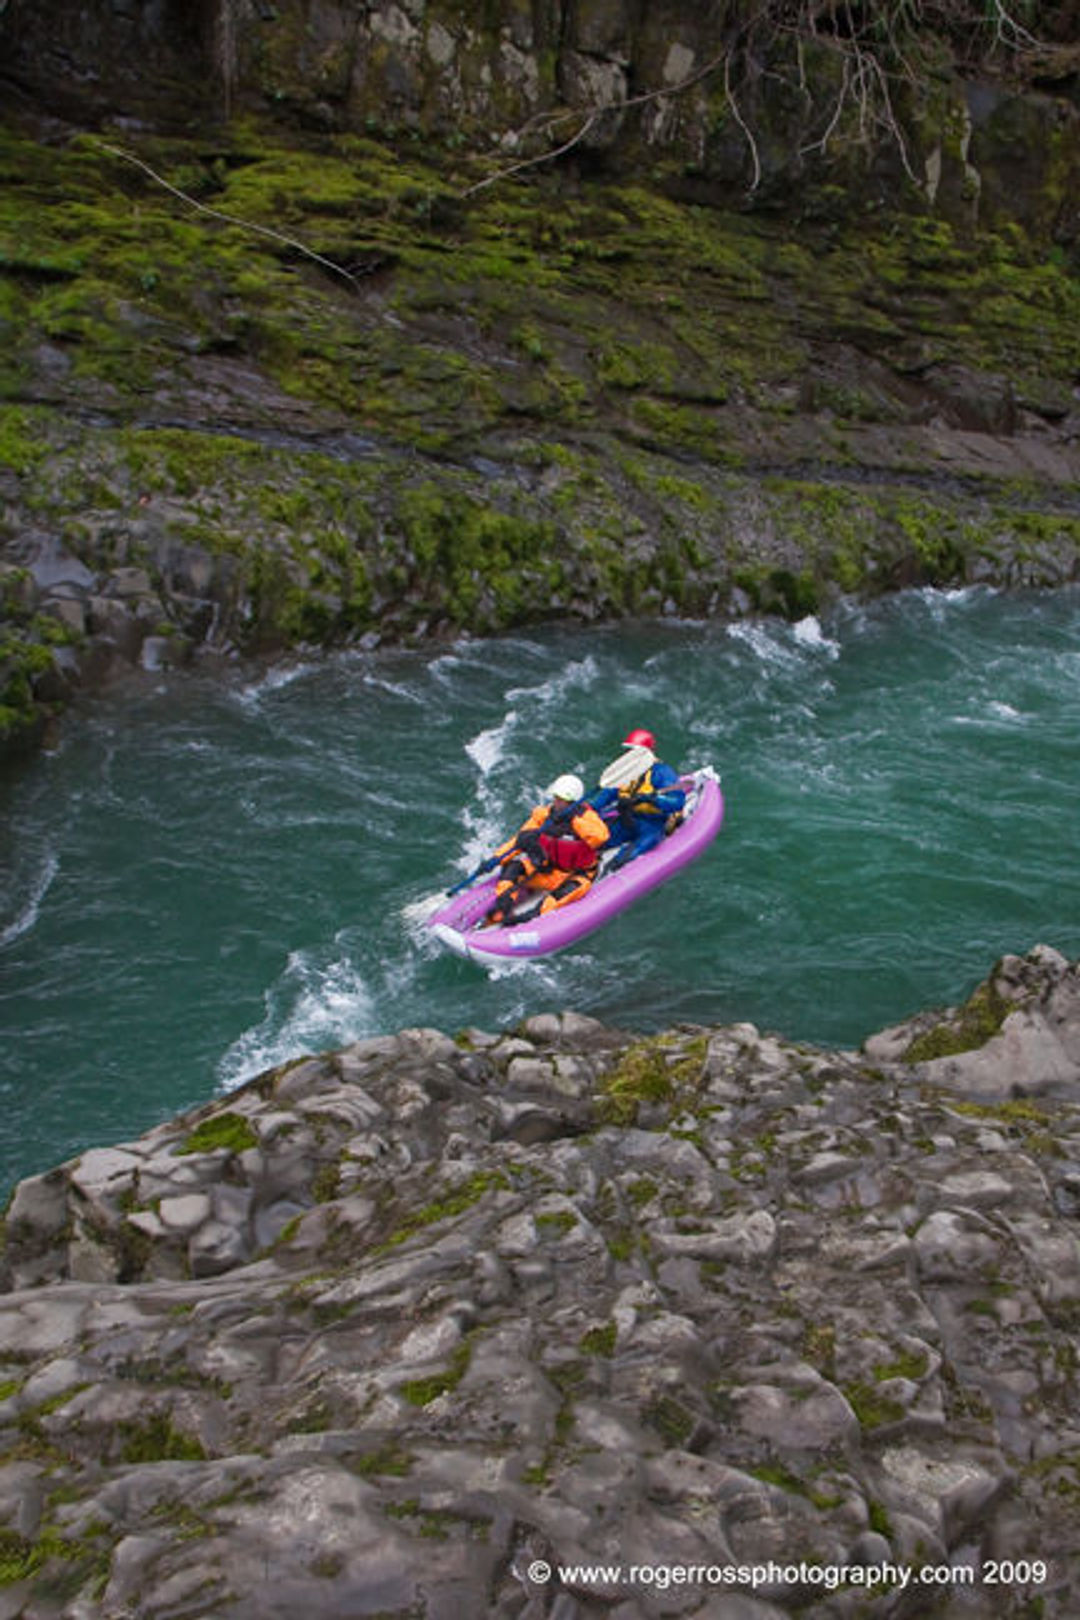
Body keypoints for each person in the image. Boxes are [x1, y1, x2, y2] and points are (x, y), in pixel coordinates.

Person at [483, 773, 610, 927]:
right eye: (556, 797)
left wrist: (573, 820)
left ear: (572, 802)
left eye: (561, 799)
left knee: (560, 896)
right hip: (548, 870)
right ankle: (503, 908)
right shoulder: (544, 815)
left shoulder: (587, 818)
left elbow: (600, 837)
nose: (556, 802)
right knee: (513, 867)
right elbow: (520, 840)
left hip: (576, 875)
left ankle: (529, 918)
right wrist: (496, 859)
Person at [591, 727, 686, 870]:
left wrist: (651, 799)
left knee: (630, 854)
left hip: (653, 823)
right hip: (627, 819)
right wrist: (587, 810)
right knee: (597, 842)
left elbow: (677, 802)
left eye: (633, 752)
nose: (629, 755)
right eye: (628, 751)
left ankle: (615, 868)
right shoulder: (625, 773)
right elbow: (605, 796)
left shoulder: (662, 773)